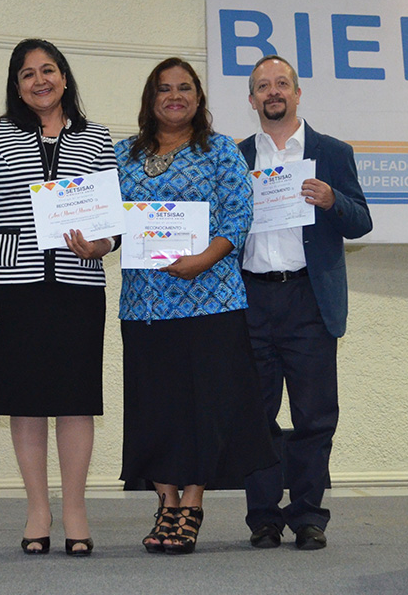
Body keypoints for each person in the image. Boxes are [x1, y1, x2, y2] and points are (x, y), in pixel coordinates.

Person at [0, 39, 118, 557]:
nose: (39, 80)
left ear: (65, 78)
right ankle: (36, 511)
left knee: (74, 401)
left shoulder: (97, 138)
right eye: (28, 74)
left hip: (78, 287)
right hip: (11, 289)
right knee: (23, 402)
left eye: (48, 70)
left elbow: (113, 221)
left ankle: (74, 511)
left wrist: (102, 243)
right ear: (17, 85)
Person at [116, 57, 275, 555]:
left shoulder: (220, 150)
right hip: (144, 304)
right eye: (164, 88)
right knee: (157, 407)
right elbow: (111, 223)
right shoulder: (123, 154)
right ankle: (165, 501)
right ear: (151, 99)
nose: (175, 96)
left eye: (185, 88)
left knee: (204, 409)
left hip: (210, 301)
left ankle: (193, 502)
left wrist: (202, 260)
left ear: (198, 98)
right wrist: (93, 243)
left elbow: (238, 215)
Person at [238, 54, 372, 551]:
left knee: (315, 416)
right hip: (250, 296)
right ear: (251, 99)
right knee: (258, 416)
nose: (272, 92)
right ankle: (264, 519)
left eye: (281, 84)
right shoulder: (234, 156)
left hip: (309, 298)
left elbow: (361, 222)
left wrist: (332, 200)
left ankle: (309, 515)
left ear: (297, 93)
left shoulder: (332, 152)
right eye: (262, 86)